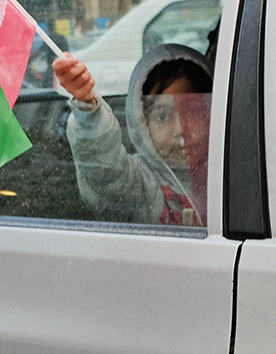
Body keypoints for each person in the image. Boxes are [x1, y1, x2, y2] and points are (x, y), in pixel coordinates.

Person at [53, 44, 211, 226]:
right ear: (142, 123)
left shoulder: (233, 173)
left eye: (192, 112)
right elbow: (105, 173)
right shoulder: (140, 184)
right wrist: (88, 107)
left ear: (212, 113)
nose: (180, 129)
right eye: (162, 116)